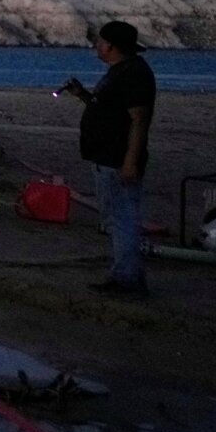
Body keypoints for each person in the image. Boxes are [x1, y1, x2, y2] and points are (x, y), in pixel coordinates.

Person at [60, 19, 155, 295]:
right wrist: (83, 96)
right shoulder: (120, 72)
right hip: (107, 157)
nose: (96, 46)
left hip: (117, 159)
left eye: (100, 42)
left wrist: (130, 160)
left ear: (111, 46)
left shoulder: (133, 74)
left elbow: (139, 119)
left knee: (122, 219)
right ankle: (124, 275)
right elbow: (108, 109)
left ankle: (128, 280)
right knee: (116, 218)